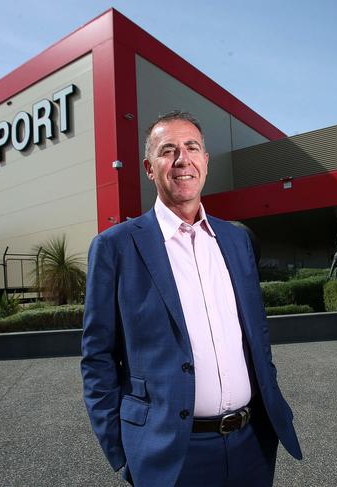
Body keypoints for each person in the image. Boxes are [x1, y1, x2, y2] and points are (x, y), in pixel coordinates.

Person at [81, 111, 301, 487]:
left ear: (205, 161)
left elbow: (256, 333)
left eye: (192, 147)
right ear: (150, 168)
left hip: (251, 445)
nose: (182, 159)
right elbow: (98, 355)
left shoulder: (236, 240)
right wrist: (121, 446)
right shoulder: (115, 247)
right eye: (169, 150)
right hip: (170, 456)